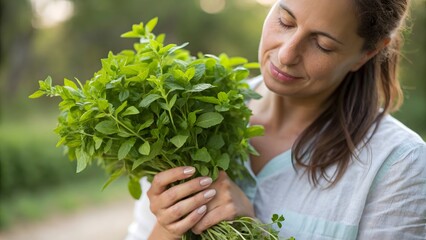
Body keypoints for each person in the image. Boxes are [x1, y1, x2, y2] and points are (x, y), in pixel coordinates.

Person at [126, 0, 426, 239]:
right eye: (285, 21)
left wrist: (252, 231)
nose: (286, 54)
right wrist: (171, 226)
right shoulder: (185, 111)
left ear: (367, 53)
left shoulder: (398, 164)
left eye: (322, 44)